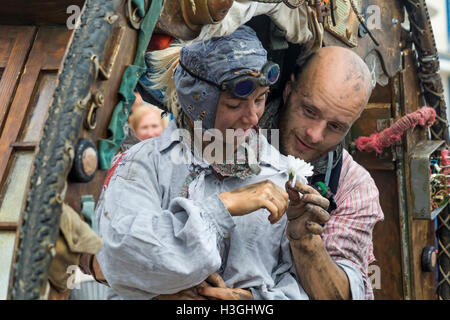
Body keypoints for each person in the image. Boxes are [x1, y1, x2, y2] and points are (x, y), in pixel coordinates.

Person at [95, 26, 312, 300]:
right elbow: (122, 257)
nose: (253, 118)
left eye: (260, 100)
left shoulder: (284, 177)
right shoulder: (141, 166)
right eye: (235, 105)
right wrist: (222, 208)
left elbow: (301, 285)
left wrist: (250, 303)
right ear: (198, 102)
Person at [271, 46, 384, 300]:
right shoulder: (236, 135)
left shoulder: (354, 186)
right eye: (310, 111)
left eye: (335, 126)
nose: (314, 134)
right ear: (289, 91)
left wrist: (306, 241)